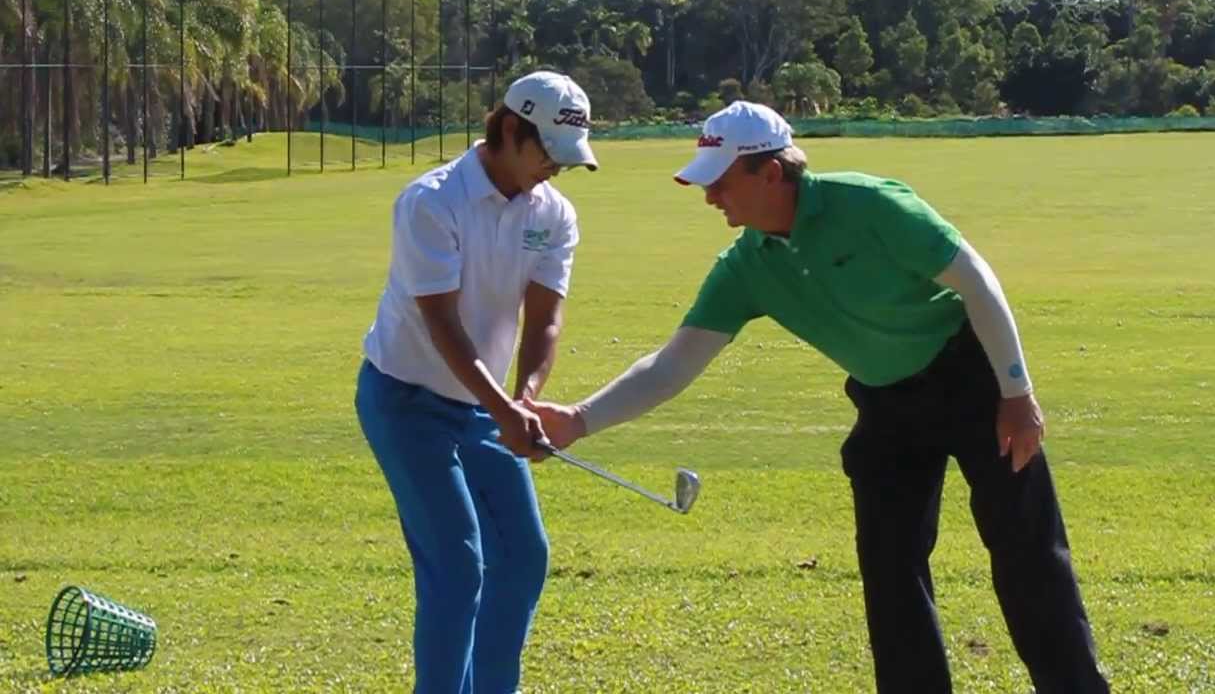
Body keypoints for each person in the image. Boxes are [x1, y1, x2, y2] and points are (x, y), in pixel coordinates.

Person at [525, 101, 1110, 693]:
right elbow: (673, 364)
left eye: (721, 183)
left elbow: (975, 280)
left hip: (973, 380)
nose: (710, 198)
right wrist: (578, 420)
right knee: (889, 567)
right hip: (886, 403)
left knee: (1025, 550)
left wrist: (1017, 392)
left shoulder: (871, 204)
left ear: (771, 173)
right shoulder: (746, 266)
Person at [354, 71, 598, 694]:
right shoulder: (431, 201)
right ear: (510, 130)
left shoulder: (555, 213)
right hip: (406, 399)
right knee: (458, 568)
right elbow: (443, 328)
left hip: (484, 406)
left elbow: (544, 319)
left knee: (522, 556)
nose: (555, 170)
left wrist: (528, 399)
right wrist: (503, 409)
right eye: (547, 153)